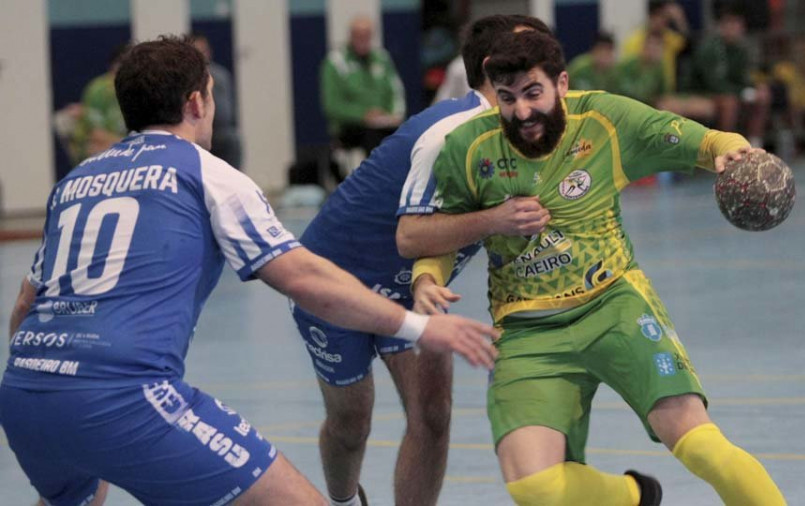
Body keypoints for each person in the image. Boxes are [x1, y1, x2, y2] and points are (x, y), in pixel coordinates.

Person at [0, 36, 498, 506]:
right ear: (197, 102)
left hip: (25, 393)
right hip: (124, 394)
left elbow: (25, 306)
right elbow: (306, 279)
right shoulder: (206, 172)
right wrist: (418, 325)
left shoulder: (76, 182)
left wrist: (57, 385)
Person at [405, 30, 787, 505]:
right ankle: (633, 496)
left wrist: (732, 149)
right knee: (533, 486)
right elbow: (444, 231)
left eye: (532, 93)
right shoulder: (467, 147)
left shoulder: (605, 119)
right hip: (526, 331)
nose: (521, 111)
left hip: (615, 306)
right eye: (507, 99)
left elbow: (698, 139)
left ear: (562, 83)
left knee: (702, 446)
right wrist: (427, 277)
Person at [293, 15, 553, 506]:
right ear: (494, 68)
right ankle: (345, 502)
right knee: (353, 421)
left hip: (417, 286)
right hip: (334, 280)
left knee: (432, 414)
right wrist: (499, 218)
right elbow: (411, 237)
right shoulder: (453, 130)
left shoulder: (527, 127)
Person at [320, 15, 405, 160]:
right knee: (373, 137)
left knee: (405, 134)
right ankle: (374, 180)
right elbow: (332, 105)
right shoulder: (335, 62)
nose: (363, 40)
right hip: (352, 128)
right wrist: (363, 115)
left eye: (367, 36)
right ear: (351, 36)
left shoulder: (382, 58)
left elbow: (396, 91)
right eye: (359, 36)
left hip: (384, 123)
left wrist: (394, 115)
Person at [689, 4, 771, 147]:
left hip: (730, 92)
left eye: (737, 24)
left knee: (763, 96)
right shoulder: (710, 48)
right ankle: (726, 148)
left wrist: (755, 89)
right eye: (730, 23)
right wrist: (744, 93)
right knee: (729, 103)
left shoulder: (741, 50)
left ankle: (755, 144)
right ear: (721, 26)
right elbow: (713, 83)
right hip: (702, 92)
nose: (734, 28)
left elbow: (743, 79)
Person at [68, 43, 131, 164]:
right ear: (114, 67)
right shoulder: (98, 90)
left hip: (124, 148)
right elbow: (97, 135)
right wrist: (134, 146)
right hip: (96, 151)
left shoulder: (137, 90)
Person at [191, 33, 243, 169]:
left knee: (233, 139)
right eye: (198, 51)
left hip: (222, 132)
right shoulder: (187, 76)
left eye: (204, 51)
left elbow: (230, 106)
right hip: (196, 130)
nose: (202, 55)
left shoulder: (221, 75)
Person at [622, 0, 690, 93]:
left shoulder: (670, 37)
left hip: (667, 94)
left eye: (665, 17)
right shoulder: (634, 41)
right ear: (650, 16)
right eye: (658, 16)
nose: (661, 21)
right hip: (641, 93)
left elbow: (688, 44)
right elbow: (628, 74)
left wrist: (680, 19)